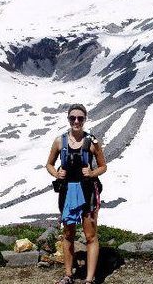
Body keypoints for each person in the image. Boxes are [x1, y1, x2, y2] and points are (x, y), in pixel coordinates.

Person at [46, 103, 107, 284]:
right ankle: (68, 275)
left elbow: (103, 166)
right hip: (67, 191)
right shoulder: (60, 141)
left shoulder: (92, 142)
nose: (76, 121)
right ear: (68, 119)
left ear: (85, 119)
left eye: (80, 118)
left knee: (90, 235)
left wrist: (92, 173)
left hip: (87, 191)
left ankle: (89, 279)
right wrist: (56, 174)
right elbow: (49, 164)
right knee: (68, 234)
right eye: (73, 118)